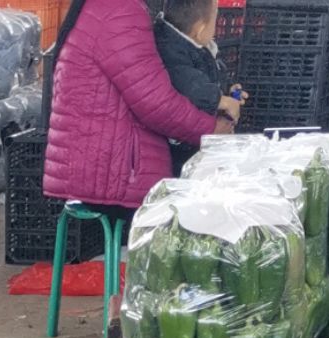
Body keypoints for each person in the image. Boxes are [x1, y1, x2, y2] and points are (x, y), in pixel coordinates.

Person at [43, 0, 237, 227]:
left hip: (95, 166)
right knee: (206, 210)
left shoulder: (104, 7)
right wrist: (210, 131)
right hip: (110, 173)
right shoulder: (119, 11)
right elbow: (156, 103)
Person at [153, 0, 234, 174]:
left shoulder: (192, 45)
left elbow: (210, 77)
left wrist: (230, 92)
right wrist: (220, 100)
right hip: (180, 150)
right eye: (215, 20)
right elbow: (190, 84)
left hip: (193, 139)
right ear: (200, 29)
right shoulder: (171, 49)